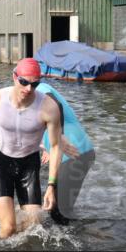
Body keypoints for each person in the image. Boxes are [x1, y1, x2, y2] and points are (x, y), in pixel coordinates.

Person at [0, 58, 62, 238]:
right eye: (24, 82)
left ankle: (15, 214)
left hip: (29, 164)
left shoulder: (49, 107)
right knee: (8, 229)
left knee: (33, 226)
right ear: (14, 77)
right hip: (1, 162)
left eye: (35, 84)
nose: (28, 89)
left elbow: (55, 146)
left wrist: (51, 186)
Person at [36, 82, 96, 224]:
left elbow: (56, 105)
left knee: (59, 211)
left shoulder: (40, 88)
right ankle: (84, 232)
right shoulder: (29, 97)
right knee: (56, 207)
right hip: (70, 154)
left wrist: (60, 135)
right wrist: (46, 148)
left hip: (76, 152)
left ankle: (87, 237)